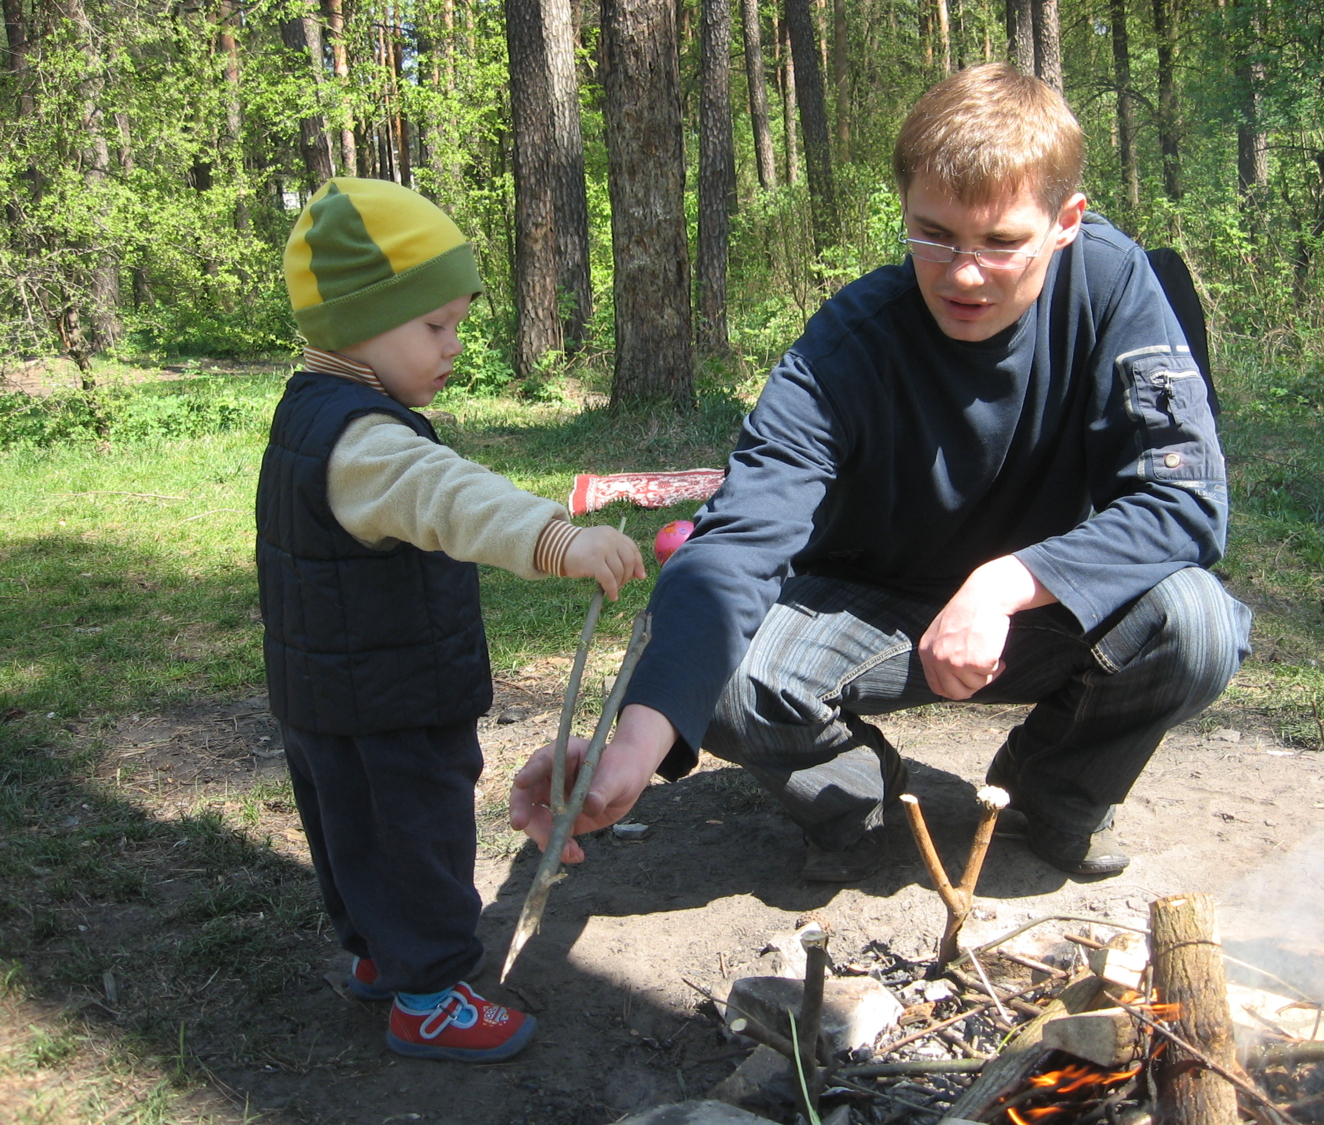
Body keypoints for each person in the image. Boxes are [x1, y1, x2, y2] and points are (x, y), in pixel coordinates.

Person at [510, 64, 1251, 884]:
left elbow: (1184, 499)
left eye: (1001, 243)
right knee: (716, 674)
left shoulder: (1114, 289)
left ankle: (1052, 798)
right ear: (903, 208)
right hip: (863, 612)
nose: (964, 273)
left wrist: (1007, 581)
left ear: (1065, 220)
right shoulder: (848, 346)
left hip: (1042, 611)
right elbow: (733, 543)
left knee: (1197, 623)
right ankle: (864, 802)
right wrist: (633, 749)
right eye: (933, 234)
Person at [258, 177, 644, 1061]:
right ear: (358, 322)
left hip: (323, 694)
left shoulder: (308, 413)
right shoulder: (368, 440)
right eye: (434, 327)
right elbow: (453, 497)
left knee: (351, 833)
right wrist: (558, 537)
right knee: (418, 838)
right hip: (392, 698)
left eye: (457, 323)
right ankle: (428, 991)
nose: (454, 346)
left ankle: (379, 956)